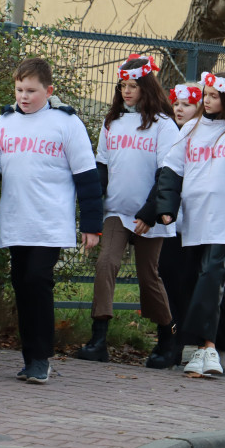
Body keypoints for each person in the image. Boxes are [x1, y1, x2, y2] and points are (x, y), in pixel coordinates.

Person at [0, 57, 103, 384]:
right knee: (22, 285)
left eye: (31, 90)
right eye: (19, 89)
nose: (23, 96)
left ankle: (41, 358)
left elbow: (87, 178)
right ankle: (30, 357)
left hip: (50, 223)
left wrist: (91, 226)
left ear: (48, 90)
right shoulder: (4, 122)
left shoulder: (66, 124)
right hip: (16, 221)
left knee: (38, 281)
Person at [154, 72, 225, 378]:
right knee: (198, 283)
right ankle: (219, 342)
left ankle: (207, 349)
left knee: (211, 277)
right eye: (206, 95)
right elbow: (171, 167)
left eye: (215, 96)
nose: (207, 100)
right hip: (195, 217)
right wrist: (166, 207)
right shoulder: (191, 127)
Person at [76, 56, 178, 364]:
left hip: (149, 216)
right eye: (122, 86)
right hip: (116, 212)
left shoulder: (164, 125)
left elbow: (168, 174)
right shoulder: (112, 123)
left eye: (133, 86)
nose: (126, 91)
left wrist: (149, 212)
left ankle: (166, 340)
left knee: (148, 277)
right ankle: (98, 340)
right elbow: (101, 170)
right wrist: (92, 215)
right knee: (106, 264)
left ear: (147, 87)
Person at [148, 82, 203, 369]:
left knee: (188, 285)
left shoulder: (201, 135)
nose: (179, 109)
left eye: (187, 104)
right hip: (172, 223)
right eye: (177, 104)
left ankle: (193, 343)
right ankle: (170, 341)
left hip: (196, 225)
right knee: (168, 282)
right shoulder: (174, 133)